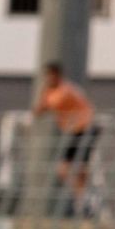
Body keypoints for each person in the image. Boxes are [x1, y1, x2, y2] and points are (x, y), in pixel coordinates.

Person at [31, 61, 97, 213]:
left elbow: (44, 108)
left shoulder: (64, 91)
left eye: (50, 75)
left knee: (78, 167)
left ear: (57, 75)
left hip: (84, 128)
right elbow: (40, 109)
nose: (48, 79)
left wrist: (44, 94)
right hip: (75, 130)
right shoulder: (54, 91)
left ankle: (84, 197)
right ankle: (83, 197)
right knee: (65, 169)